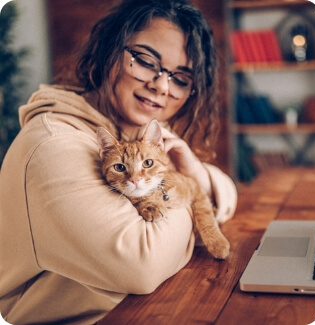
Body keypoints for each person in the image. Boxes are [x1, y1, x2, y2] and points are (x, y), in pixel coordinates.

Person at [0, 0, 237, 323]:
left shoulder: (137, 132)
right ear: (110, 49)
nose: (161, 86)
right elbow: (144, 264)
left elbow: (227, 192)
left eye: (180, 79)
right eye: (145, 60)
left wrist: (193, 170)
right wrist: (192, 195)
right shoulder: (54, 146)